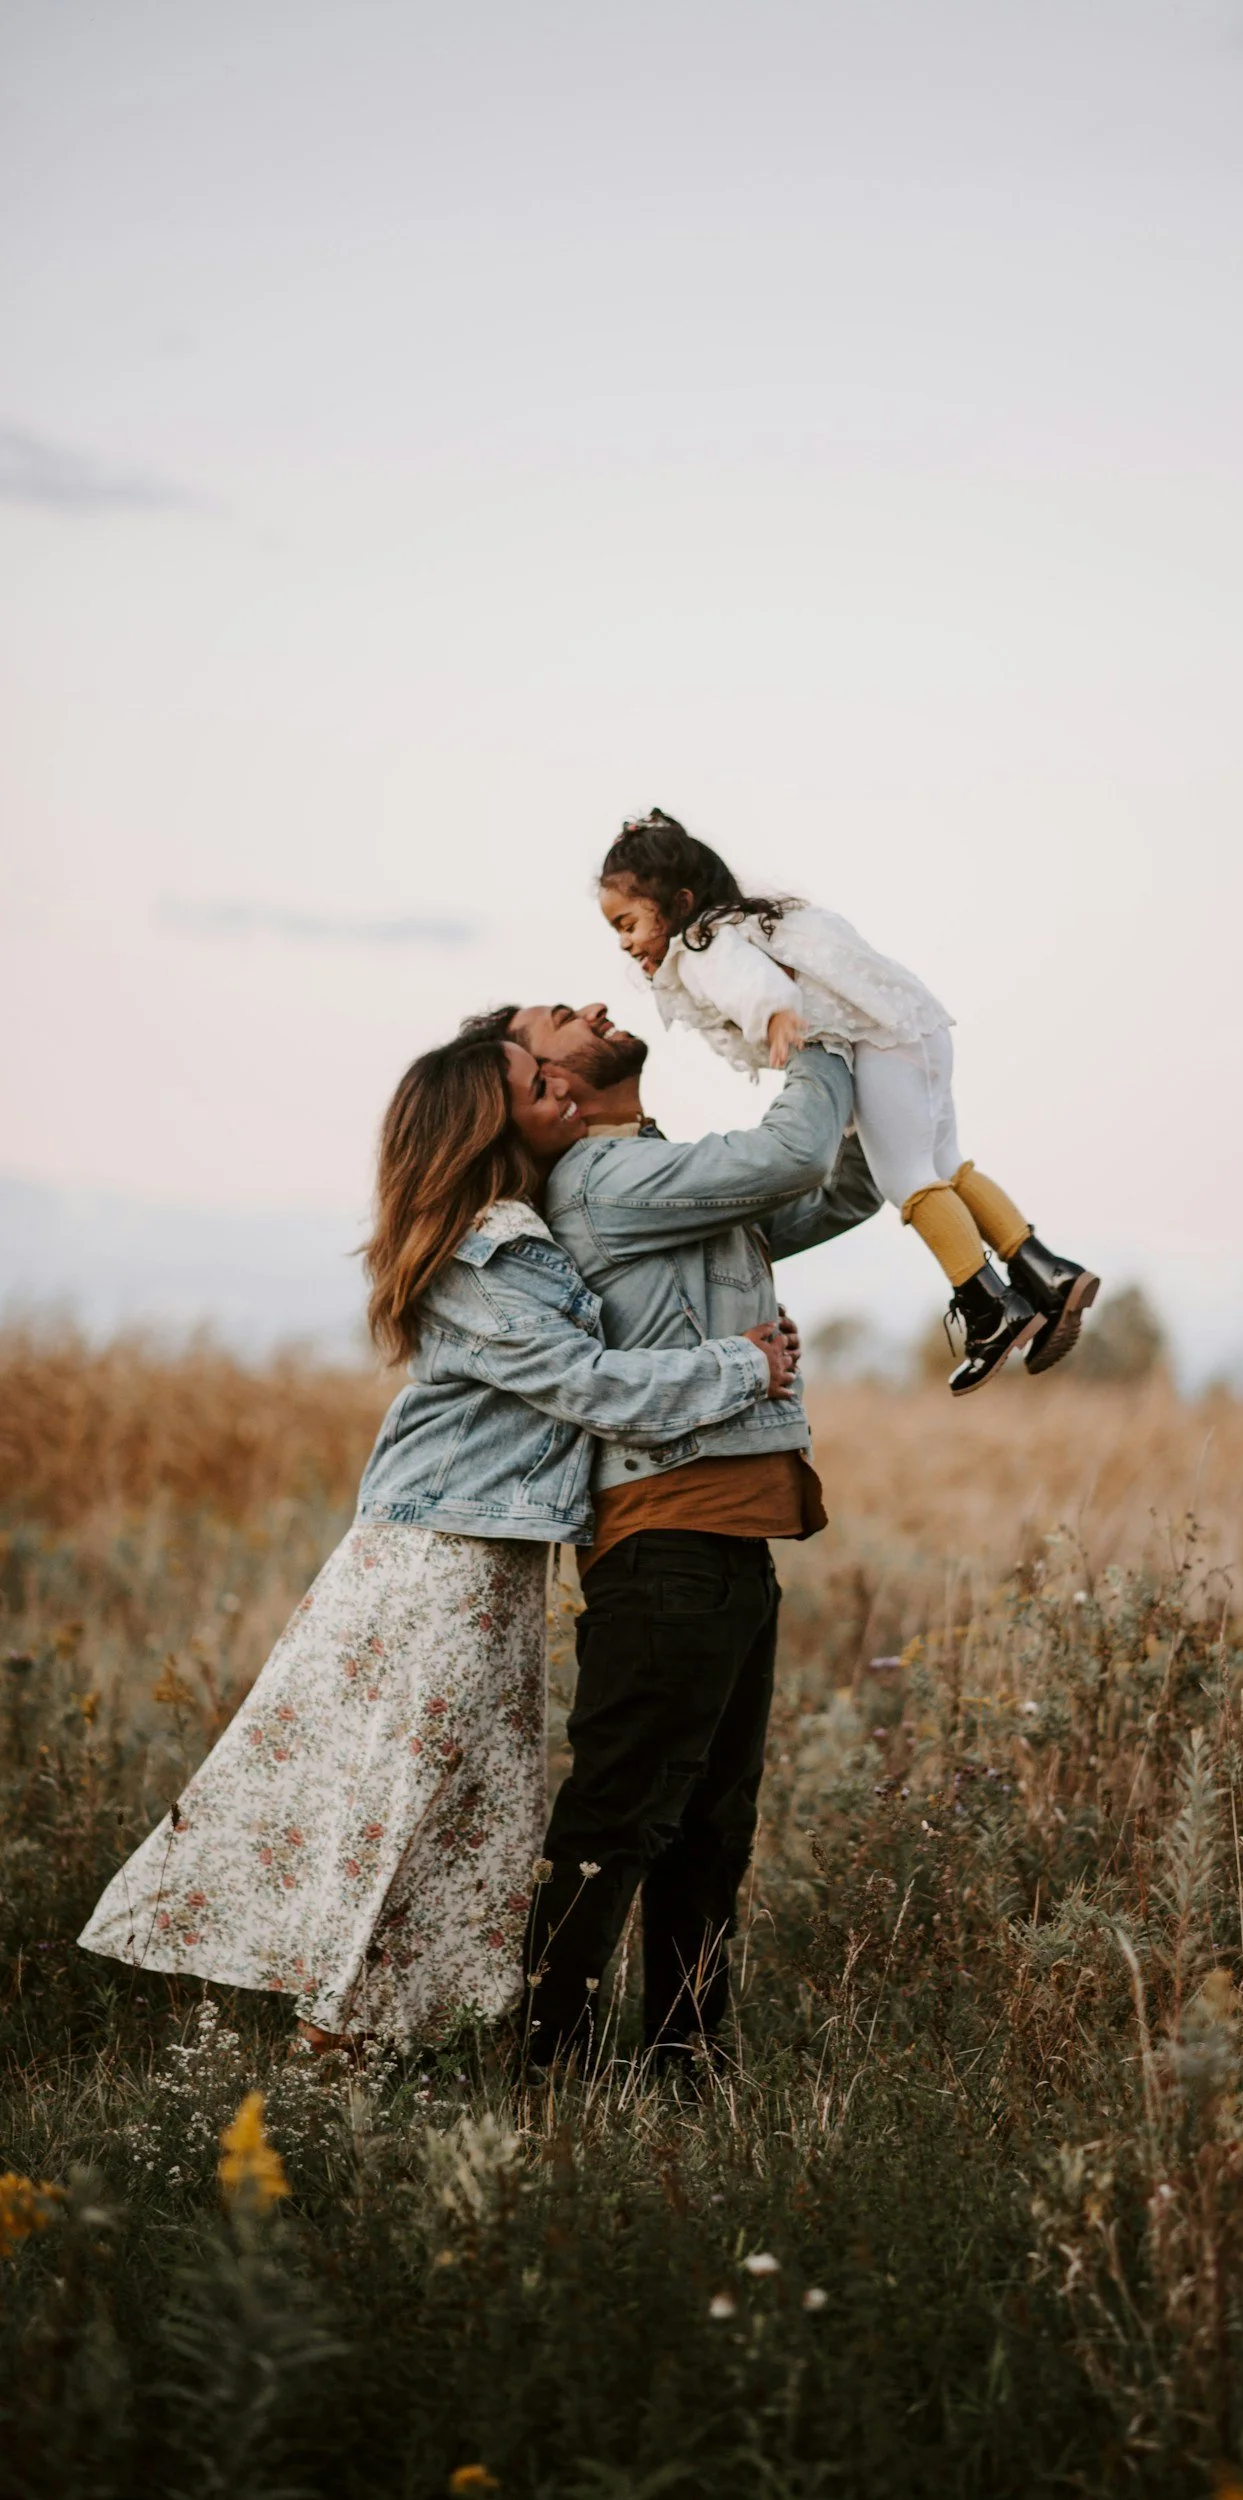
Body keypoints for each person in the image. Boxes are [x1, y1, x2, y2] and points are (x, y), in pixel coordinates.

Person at [78, 1031, 794, 2052]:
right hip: (439, 1559)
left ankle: (389, 2025)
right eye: (535, 1080)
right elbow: (585, 1384)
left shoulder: (537, 1220)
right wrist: (738, 1368)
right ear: (482, 1121)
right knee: (410, 1793)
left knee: (465, 1803)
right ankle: (341, 2033)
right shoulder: (479, 1250)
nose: (560, 1083)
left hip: (492, 1561)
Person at [464, 1001, 879, 2075]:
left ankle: (685, 2063)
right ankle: (548, 2067)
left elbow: (838, 1182)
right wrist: (820, 1030)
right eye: (555, 1026)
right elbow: (792, 1149)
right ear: (543, 1085)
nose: (593, 1008)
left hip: (726, 1537)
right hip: (666, 1536)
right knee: (619, 1818)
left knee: (709, 1826)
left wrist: (902, 1100)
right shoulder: (604, 1183)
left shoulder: (658, 1178)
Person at [594, 806, 1100, 1394]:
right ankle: (1047, 1273)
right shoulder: (751, 921)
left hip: (874, 1045)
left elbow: (748, 983)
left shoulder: (703, 947)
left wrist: (776, 1014)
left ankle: (990, 1307)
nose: (626, 943)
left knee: (907, 1182)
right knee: (947, 1166)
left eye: (627, 924)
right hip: (914, 1027)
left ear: (679, 904)